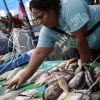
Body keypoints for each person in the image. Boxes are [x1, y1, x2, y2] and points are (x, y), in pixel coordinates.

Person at [7, 0, 100, 89]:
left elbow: (81, 38)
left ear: (52, 9)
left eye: (41, 16)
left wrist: (84, 67)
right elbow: (39, 53)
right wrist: (23, 78)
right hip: (94, 47)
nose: (39, 21)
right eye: (37, 18)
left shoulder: (70, 6)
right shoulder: (47, 30)